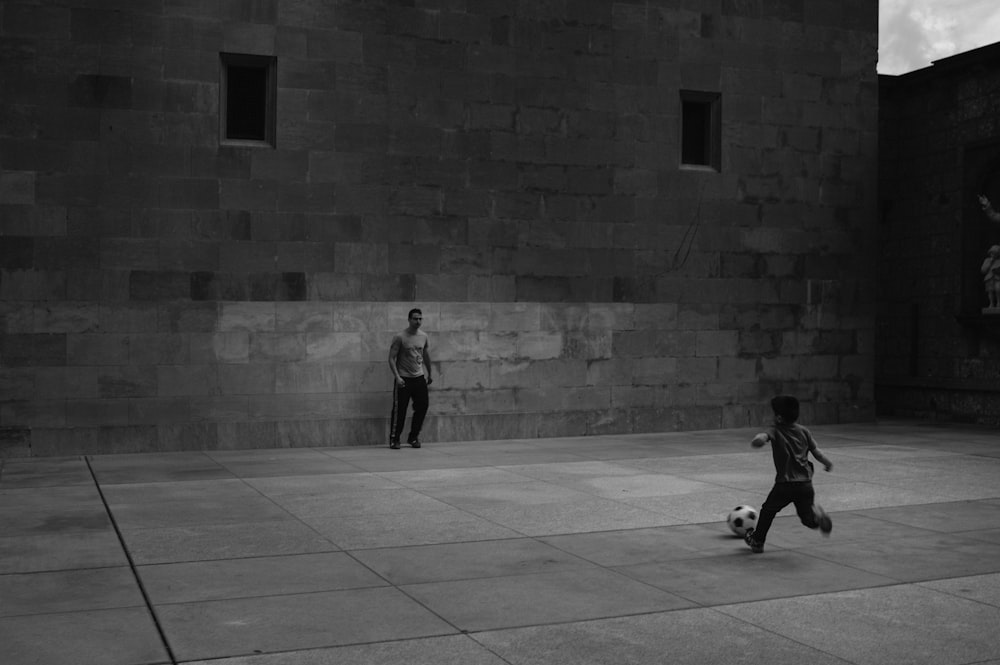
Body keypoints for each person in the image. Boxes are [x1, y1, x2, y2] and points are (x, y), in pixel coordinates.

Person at [743, 395, 833, 554]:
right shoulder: (804, 431)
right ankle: (817, 521)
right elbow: (817, 453)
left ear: (778, 417)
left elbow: (762, 437)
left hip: (785, 485)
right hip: (805, 484)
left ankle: (757, 541)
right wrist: (828, 463)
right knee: (806, 518)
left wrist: (758, 440)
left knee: (768, 511)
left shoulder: (774, 429)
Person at [387, 308, 432, 449]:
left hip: (419, 378)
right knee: (400, 410)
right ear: (409, 319)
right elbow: (391, 358)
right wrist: (397, 377)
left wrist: (429, 373)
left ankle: (413, 437)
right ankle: (394, 439)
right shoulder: (400, 337)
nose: (418, 321)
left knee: (423, 406)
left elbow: (425, 355)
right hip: (403, 379)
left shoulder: (423, 336)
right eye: (415, 318)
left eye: (420, 318)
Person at [982, 245, 1000, 309]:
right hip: (989, 278)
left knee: (998, 289)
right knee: (990, 291)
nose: (993, 255)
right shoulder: (987, 260)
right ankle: (991, 303)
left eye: (995, 253)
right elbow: (983, 270)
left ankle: (998, 303)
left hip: (998, 278)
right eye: (992, 253)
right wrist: (990, 263)